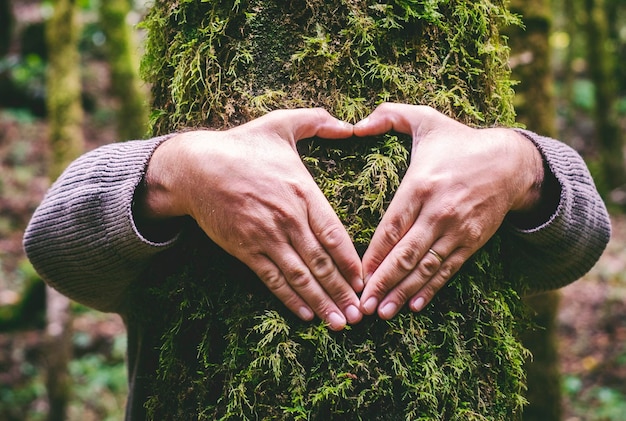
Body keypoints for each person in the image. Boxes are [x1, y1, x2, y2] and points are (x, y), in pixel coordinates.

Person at [24, 103, 610, 417]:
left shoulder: (480, 189)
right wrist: (176, 171)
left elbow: (579, 244)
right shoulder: (181, 201)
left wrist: (522, 164)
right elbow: (51, 243)